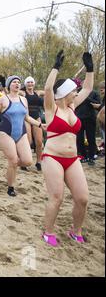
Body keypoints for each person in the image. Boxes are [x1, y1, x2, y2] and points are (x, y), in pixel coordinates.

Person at [41, 51, 94, 246]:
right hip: (53, 157)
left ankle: (76, 231)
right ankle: (48, 232)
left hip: (72, 159)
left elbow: (87, 88)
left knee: (82, 198)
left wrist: (90, 69)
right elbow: (48, 88)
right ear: (64, 93)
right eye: (73, 91)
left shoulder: (72, 106)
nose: (76, 93)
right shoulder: (52, 108)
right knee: (57, 197)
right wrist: (55, 67)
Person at [20, 76, 45, 171]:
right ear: (25, 84)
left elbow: (50, 91)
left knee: (39, 142)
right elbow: (10, 92)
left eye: (31, 82)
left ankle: (39, 162)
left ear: (34, 83)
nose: (30, 84)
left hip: (36, 117)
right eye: (28, 82)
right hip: (26, 117)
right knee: (29, 141)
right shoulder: (22, 93)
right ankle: (24, 161)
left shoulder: (38, 93)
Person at [75, 78, 101, 166]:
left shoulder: (94, 93)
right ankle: (83, 156)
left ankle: (91, 156)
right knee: (79, 138)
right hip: (79, 118)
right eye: (83, 82)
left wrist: (87, 97)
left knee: (91, 138)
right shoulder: (76, 93)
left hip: (90, 118)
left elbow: (98, 104)